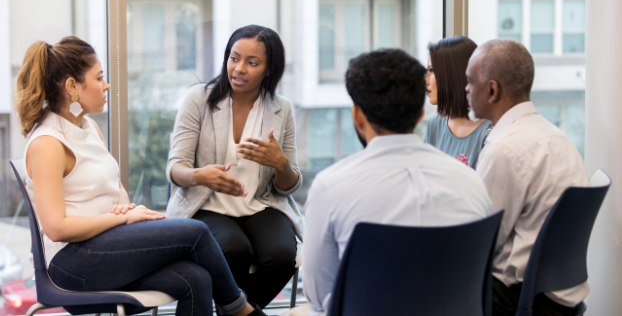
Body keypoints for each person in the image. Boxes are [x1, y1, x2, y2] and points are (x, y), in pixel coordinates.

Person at [15, 37, 267, 316]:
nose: (106, 85)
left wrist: (125, 207)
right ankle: (244, 312)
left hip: (103, 243)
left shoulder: (87, 127)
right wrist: (122, 218)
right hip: (71, 263)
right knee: (195, 232)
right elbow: (56, 228)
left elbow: (115, 187)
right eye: (99, 78)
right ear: (73, 87)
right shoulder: (48, 143)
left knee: (196, 278)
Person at [286, 48, 492, 316]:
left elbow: (320, 297)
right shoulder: (471, 182)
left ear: (357, 117)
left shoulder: (330, 187)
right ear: (420, 115)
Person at [166, 25, 303, 309]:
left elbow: (288, 185)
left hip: (261, 205)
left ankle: (238, 311)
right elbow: (175, 168)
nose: (239, 68)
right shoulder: (198, 100)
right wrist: (199, 176)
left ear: (269, 69)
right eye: (234, 58)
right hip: (206, 206)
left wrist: (281, 164)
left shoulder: (282, 109)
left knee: (280, 256)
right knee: (233, 249)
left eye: (252, 63)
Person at [466, 39, 590, 316]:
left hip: (519, 299)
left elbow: (480, 244)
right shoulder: (556, 137)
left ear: (492, 89)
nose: (466, 89)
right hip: (560, 298)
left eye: (470, 81)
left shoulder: (505, 148)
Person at [424, 36, 492, 169]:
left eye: (431, 71)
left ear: (454, 75)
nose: (425, 80)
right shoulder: (435, 124)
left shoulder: (490, 133)